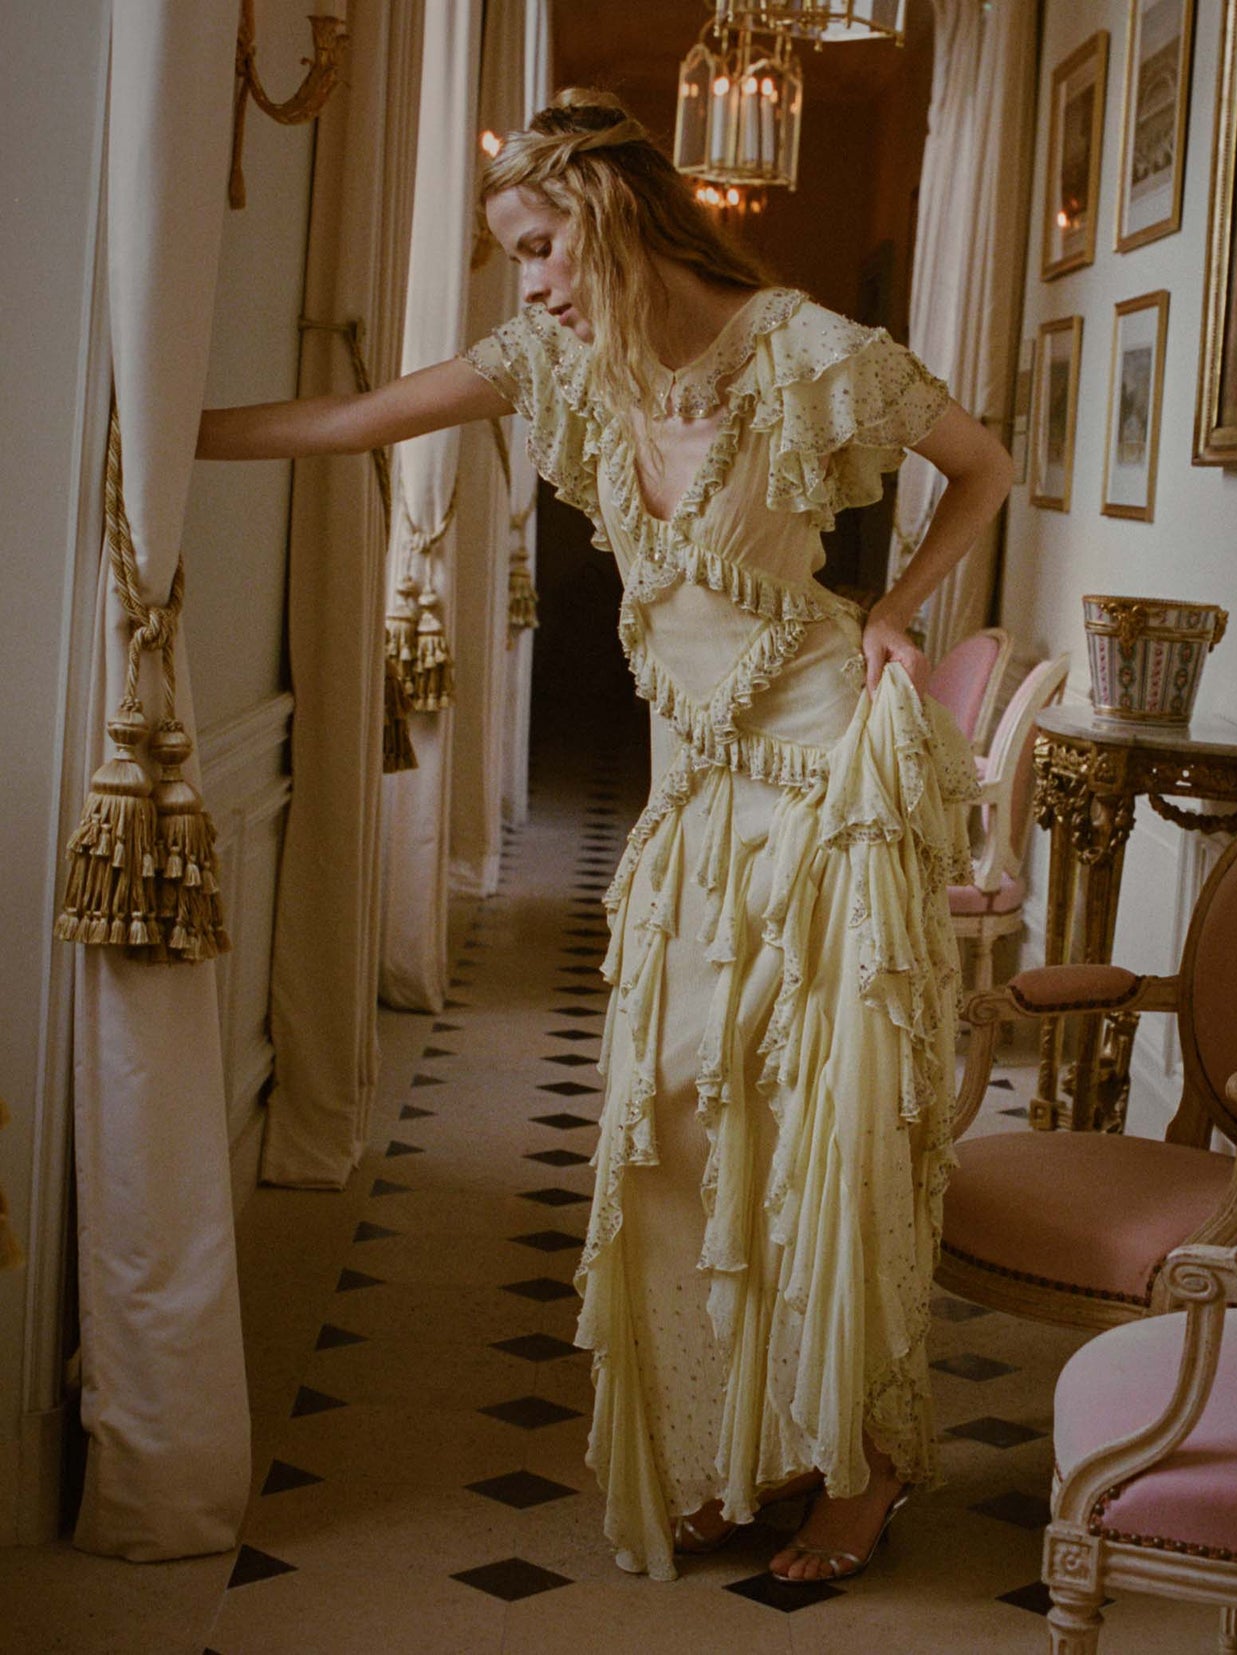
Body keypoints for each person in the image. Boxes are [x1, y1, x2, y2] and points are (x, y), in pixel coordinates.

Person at [199, 89, 1014, 1584]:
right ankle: (727, 1445)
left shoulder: (807, 348)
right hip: (697, 794)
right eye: (513, 257)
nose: (528, 281)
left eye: (535, 247)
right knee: (683, 1124)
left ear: (605, 216)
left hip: (830, 772)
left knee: (829, 1131)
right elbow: (340, 422)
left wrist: (897, 612)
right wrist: (109, 429)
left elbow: (986, 465)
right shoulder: (551, 365)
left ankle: (861, 1468)